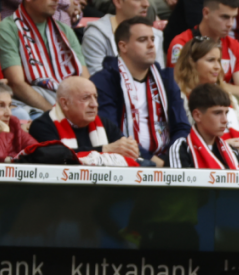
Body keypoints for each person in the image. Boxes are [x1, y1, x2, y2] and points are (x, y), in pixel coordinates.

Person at [91, 17, 190, 167]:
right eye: (143, 40)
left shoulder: (167, 79)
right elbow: (111, 131)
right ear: (123, 46)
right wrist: (149, 159)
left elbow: (182, 127)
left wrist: (169, 159)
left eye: (152, 39)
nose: (151, 45)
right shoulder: (104, 81)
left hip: (168, 159)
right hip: (125, 161)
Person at [174, 38, 239, 170]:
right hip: (210, 155)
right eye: (210, 60)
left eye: (219, 60)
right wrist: (221, 145)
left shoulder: (227, 95)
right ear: (192, 63)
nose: (217, 67)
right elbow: (188, 136)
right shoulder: (181, 96)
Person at [0, 0, 88, 112]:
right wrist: (55, 114)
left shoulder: (65, 30)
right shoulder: (7, 29)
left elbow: (85, 80)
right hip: (36, 109)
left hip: (71, 106)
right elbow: (16, 84)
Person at [30, 77, 142, 166]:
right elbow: (57, 156)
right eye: (86, 98)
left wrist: (130, 149)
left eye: (95, 97)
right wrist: (104, 150)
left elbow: (126, 155)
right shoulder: (42, 126)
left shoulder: (106, 125)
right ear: (65, 103)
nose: (94, 104)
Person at [166, 0, 239, 104]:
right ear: (206, 13)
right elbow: (180, 87)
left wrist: (209, 83)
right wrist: (222, 86)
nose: (230, 24)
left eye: (233, 17)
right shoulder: (181, 43)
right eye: (224, 17)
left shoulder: (235, 47)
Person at [166, 83, 239, 168]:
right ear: (197, 116)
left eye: (226, 113)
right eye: (217, 113)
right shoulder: (180, 149)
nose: (225, 120)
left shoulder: (231, 151)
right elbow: (178, 181)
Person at [82, 0, 164, 75]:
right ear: (118, 2)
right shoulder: (96, 35)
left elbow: (160, 78)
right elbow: (98, 82)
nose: (146, 4)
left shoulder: (157, 35)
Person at [1, 0, 81, 26]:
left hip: (62, 36)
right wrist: (67, 3)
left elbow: (76, 5)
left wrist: (76, 14)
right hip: (24, 35)